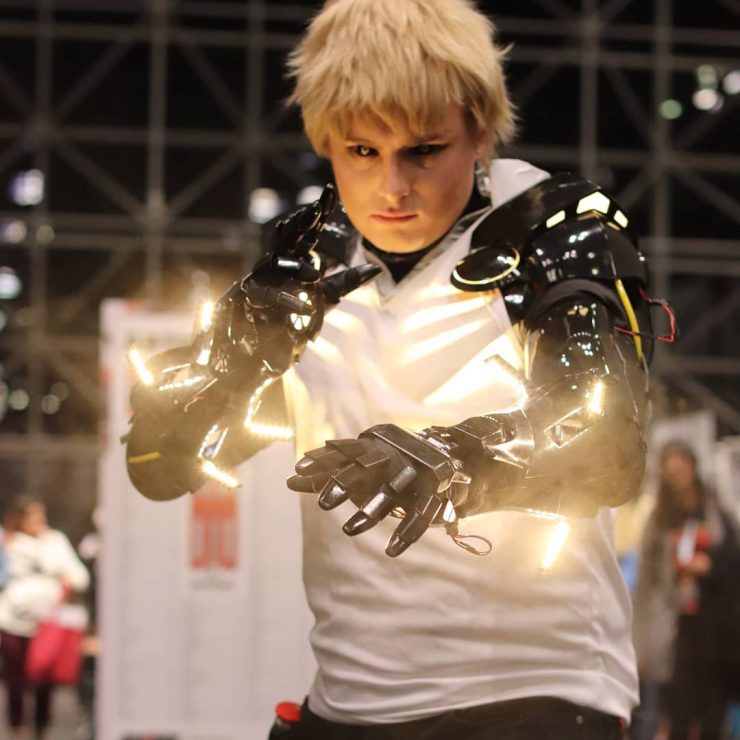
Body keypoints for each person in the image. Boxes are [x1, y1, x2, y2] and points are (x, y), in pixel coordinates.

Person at [124, 0, 658, 737]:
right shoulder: (308, 260)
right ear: (326, 141)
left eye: (424, 150)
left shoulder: (548, 231)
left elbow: (608, 445)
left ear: (478, 131)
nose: (393, 187)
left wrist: (454, 460)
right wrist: (225, 369)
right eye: (362, 152)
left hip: (534, 689)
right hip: (348, 701)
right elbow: (158, 468)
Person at [632, 442, 740, 740]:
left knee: (714, 709)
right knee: (677, 708)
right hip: (676, 626)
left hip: (716, 626)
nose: (677, 476)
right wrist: (640, 641)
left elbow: (734, 562)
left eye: (681, 469)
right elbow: (646, 580)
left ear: (692, 468)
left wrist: (710, 565)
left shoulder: (717, 511)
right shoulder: (659, 520)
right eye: (671, 472)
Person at [0, 495, 90, 740]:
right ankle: (17, 729)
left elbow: (79, 575)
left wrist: (65, 577)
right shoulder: (8, 542)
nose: (38, 521)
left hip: (47, 623)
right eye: (32, 516)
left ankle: (41, 729)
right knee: (15, 680)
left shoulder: (55, 542)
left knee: (43, 680)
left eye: (40, 516)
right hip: (12, 621)